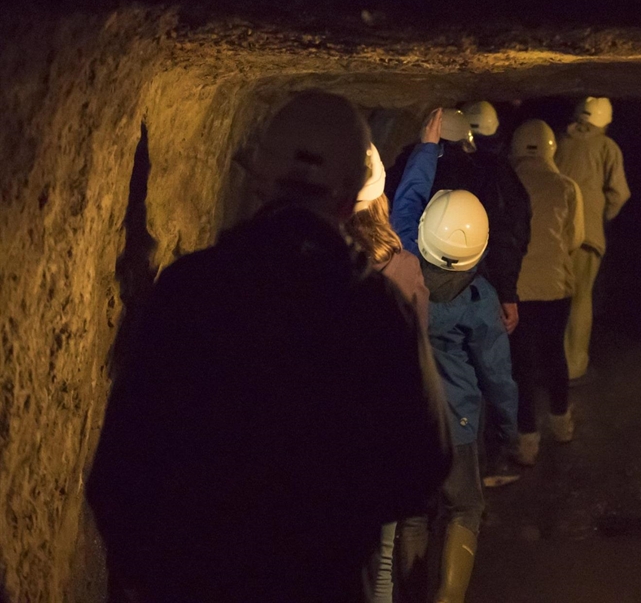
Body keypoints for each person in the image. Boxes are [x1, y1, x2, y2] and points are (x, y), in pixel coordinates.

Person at [87, 92, 450, 603]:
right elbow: (422, 465)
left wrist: (150, 573)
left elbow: (121, 468)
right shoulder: (377, 311)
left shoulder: (190, 290)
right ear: (348, 198)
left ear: (257, 177)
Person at [391, 109, 519, 603]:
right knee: (465, 510)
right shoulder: (478, 299)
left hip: (408, 417)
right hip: (458, 424)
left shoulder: (403, 261)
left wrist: (427, 150)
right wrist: (507, 430)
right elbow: (497, 374)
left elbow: (407, 202)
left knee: (414, 513)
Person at [346, 144, 431, 603]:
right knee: (380, 553)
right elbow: (418, 352)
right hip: (384, 430)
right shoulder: (402, 268)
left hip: (323, 436)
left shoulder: (312, 268)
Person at [385, 103, 531, 335]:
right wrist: (506, 293)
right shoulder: (485, 174)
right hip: (470, 288)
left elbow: (403, 209)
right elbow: (503, 234)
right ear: (466, 138)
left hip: (409, 288)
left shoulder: (402, 169)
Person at [508, 120, 585, 465]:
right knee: (554, 354)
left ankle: (527, 440)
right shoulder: (566, 187)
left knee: (521, 364)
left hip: (517, 288)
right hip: (555, 284)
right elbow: (575, 239)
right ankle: (562, 424)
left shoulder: (505, 186)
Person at [555, 96, 631, 383]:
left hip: (555, 235)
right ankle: (573, 366)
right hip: (587, 239)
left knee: (553, 298)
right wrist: (601, 218)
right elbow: (619, 193)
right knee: (580, 298)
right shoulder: (607, 147)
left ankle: (549, 361)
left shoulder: (558, 142)